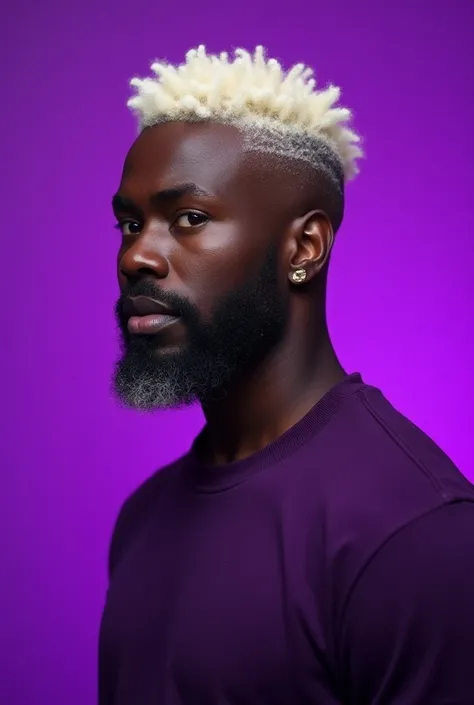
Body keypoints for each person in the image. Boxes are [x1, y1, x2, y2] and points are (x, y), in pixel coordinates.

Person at [99, 46, 474, 704]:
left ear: (304, 247)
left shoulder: (414, 533)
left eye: (188, 218)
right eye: (130, 223)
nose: (136, 255)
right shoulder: (143, 520)